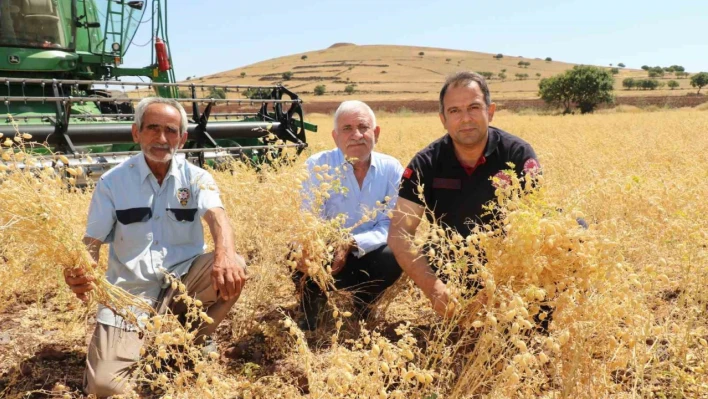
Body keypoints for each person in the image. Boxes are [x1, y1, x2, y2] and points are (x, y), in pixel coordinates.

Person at [63, 97, 248, 397]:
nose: (162, 139)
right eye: (153, 129)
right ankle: (152, 347)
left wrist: (225, 254)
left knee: (235, 266)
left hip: (182, 286)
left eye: (171, 131)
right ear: (136, 132)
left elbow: (218, 218)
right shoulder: (112, 183)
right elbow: (91, 242)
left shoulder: (197, 178)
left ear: (183, 138)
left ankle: (187, 341)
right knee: (104, 387)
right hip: (129, 298)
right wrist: (82, 268)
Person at [388, 72, 541, 318]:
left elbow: (534, 224)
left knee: (574, 229)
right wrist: (434, 288)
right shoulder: (425, 162)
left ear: (490, 112)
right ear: (443, 119)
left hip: (507, 261)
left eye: (474, 107)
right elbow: (399, 233)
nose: (466, 119)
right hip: (453, 261)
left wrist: (502, 277)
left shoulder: (518, 154)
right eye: (455, 111)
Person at [294, 100, 404, 330]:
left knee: (395, 253)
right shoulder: (317, 166)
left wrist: (352, 242)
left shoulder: (392, 168)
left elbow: (390, 225)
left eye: (363, 127)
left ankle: (363, 304)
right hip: (328, 251)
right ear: (335, 137)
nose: (356, 135)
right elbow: (310, 220)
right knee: (299, 252)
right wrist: (332, 245)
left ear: (376, 133)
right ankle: (313, 305)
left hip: (369, 251)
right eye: (347, 129)